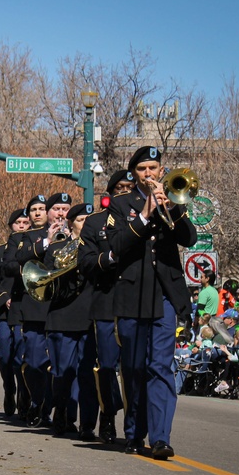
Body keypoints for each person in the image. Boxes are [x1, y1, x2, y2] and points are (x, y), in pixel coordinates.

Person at [106, 146, 197, 459]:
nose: (149, 174)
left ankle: (160, 438)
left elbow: (189, 239)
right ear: (134, 174)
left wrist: (172, 207)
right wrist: (145, 214)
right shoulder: (120, 205)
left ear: (161, 171)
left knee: (160, 366)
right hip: (132, 294)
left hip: (164, 296)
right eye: (142, 169)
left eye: (153, 169)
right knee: (133, 368)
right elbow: (117, 245)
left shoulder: (173, 200)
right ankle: (134, 431)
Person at [77, 169, 133, 443]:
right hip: (106, 302)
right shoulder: (95, 222)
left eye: (129, 186)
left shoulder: (145, 219)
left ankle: (135, 425)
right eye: (119, 186)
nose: (124, 190)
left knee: (135, 367)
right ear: (110, 192)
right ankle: (108, 416)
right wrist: (108, 257)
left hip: (136, 301)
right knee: (108, 366)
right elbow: (86, 262)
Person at [8, 192, 71, 427]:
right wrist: (46, 240)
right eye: (56, 209)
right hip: (35, 307)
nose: (60, 214)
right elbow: (12, 264)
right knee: (34, 362)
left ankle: (63, 412)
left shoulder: (74, 234)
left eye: (42, 209)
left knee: (64, 365)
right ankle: (37, 401)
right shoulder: (26, 237)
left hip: (64, 306)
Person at [45, 203, 98, 439]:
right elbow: (45, 279)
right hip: (63, 315)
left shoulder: (97, 247)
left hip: (89, 315)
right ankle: (62, 414)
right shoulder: (58, 248)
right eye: (81, 219)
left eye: (89, 219)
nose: (85, 223)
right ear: (70, 222)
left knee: (87, 374)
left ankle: (88, 424)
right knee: (63, 373)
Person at [0, 208, 30, 419]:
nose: (22, 226)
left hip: (24, 309)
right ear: (11, 225)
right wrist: (4, 298)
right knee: (5, 354)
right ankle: (9, 389)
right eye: (18, 222)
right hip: (5, 311)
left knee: (21, 356)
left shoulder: (34, 248)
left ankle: (24, 392)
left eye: (25, 222)